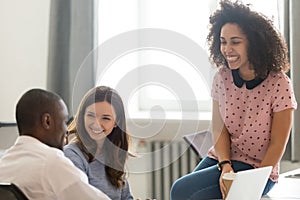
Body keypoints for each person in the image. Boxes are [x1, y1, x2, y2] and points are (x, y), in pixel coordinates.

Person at [170, 1, 297, 199]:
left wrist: (256, 181)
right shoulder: (222, 77)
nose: (227, 49)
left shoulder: (279, 83)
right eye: (223, 41)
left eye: (235, 42)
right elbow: (219, 130)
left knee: (181, 191)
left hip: (258, 167)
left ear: (254, 43)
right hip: (224, 158)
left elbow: (277, 144)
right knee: (181, 191)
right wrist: (225, 166)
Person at [0, 88, 110, 200]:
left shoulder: (4, 162)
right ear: (47, 121)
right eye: (64, 121)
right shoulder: (51, 162)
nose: (67, 130)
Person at [64, 86, 134, 200]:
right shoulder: (72, 155)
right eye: (91, 115)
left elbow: (126, 197)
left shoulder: (113, 155)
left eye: (105, 118)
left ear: (117, 122)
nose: (96, 124)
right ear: (82, 116)